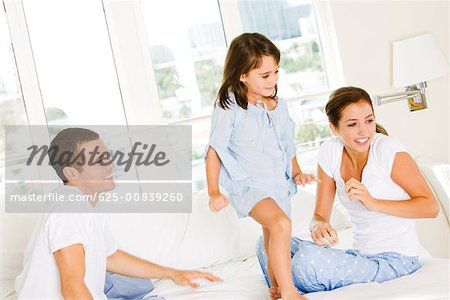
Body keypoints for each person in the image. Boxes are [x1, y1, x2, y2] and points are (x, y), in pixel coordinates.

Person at [256, 86, 439, 297]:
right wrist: (320, 226)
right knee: (266, 242)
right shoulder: (330, 151)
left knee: (307, 262)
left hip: (397, 260)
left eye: (369, 121)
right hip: (360, 257)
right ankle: (287, 284)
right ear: (334, 128)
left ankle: (285, 283)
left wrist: (373, 202)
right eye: (352, 124)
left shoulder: (389, 151)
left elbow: (430, 207)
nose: (364, 132)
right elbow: (319, 215)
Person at [15, 128, 221, 299]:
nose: (109, 165)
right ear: (71, 173)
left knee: (135, 286)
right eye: (97, 161)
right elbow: (71, 288)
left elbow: (110, 256)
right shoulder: (68, 205)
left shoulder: (88, 204)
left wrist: (173, 273)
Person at [205, 32, 316, 300]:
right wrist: (213, 191)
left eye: (276, 72)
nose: (274, 80)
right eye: (265, 75)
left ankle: (276, 288)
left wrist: (297, 172)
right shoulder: (230, 105)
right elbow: (214, 150)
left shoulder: (279, 105)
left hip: (278, 184)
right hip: (249, 186)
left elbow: (286, 145)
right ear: (242, 74)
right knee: (280, 224)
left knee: (273, 236)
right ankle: (290, 293)